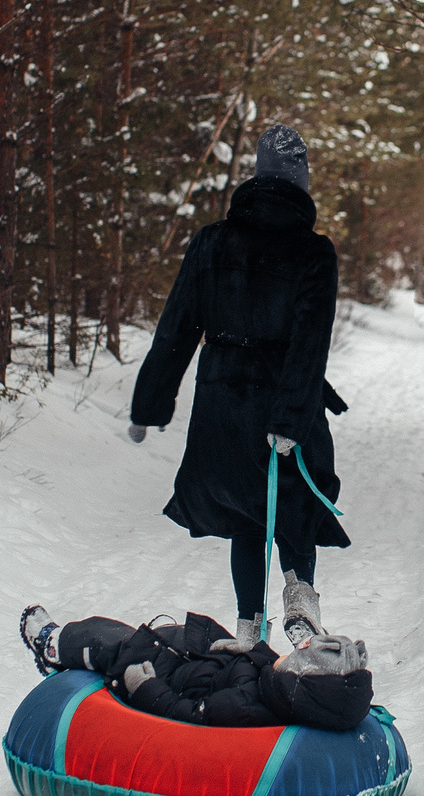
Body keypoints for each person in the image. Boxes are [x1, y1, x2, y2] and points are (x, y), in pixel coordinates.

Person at [126, 124, 349, 651]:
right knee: (296, 501)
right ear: (301, 180)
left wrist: (148, 404)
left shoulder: (211, 242)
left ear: (257, 174)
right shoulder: (314, 253)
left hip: (222, 401)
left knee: (247, 513)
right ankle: (300, 597)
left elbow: (176, 328)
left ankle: (250, 628)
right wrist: (290, 420)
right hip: (284, 394)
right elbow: (310, 344)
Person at [18, 605, 372, 733]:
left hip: (169, 677)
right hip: (201, 661)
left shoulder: (244, 708)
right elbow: (266, 668)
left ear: (297, 680)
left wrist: (146, 689)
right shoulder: (280, 690)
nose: (299, 645)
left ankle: (53, 646)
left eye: (302, 652)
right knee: (162, 633)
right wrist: (249, 651)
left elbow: (187, 715)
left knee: (111, 643)